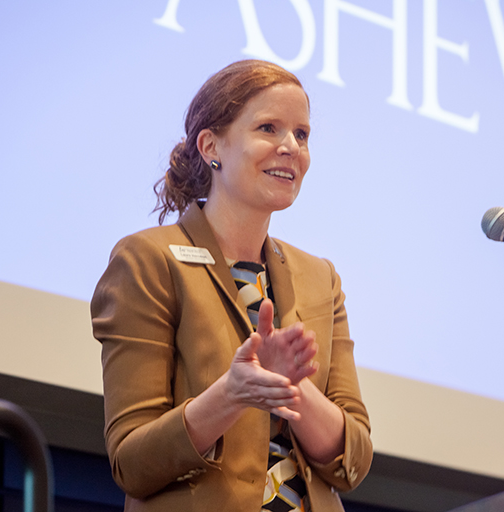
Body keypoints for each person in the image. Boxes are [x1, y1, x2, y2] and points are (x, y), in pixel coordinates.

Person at [90, 59, 372, 512]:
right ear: (210, 146)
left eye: (302, 135)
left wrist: (291, 389)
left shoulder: (321, 277)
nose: (290, 148)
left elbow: (352, 460)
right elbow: (132, 462)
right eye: (268, 128)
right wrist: (231, 393)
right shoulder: (148, 259)